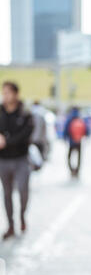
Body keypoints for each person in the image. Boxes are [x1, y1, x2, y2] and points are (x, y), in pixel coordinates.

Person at [0, 82, 33, 240]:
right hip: (4, 159)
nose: (5, 96)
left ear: (15, 94)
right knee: (6, 194)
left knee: (23, 191)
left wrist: (7, 141)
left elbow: (26, 134)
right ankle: (10, 225)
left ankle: (22, 216)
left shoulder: (25, 113)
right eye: (3, 93)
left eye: (8, 93)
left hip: (21, 159)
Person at [63, 107, 88, 178]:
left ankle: (71, 170)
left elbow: (66, 130)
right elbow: (86, 130)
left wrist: (65, 138)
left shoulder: (70, 118)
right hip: (79, 141)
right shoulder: (81, 118)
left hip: (71, 141)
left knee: (69, 157)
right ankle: (77, 170)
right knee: (79, 157)